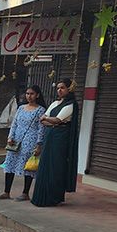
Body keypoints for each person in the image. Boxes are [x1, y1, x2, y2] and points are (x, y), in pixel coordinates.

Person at [31, 78, 80, 207]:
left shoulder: (71, 104)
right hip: (50, 137)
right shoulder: (54, 103)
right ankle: (42, 196)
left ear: (69, 89)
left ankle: (54, 197)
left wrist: (53, 121)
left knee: (56, 166)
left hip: (60, 140)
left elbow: (57, 119)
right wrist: (52, 121)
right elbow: (44, 120)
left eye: (62, 88)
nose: (59, 90)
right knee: (45, 165)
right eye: (58, 88)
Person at [0, 85, 45, 201]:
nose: (29, 96)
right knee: (10, 164)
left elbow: (41, 128)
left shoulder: (40, 110)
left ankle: (25, 193)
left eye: (32, 94)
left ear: (37, 95)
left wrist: (39, 144)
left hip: (30, 140)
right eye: (27, 93)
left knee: (27, 166)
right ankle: (6, 191)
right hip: (17, 139)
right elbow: (14, 124)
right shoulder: (21, 108)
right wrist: (10, 137)